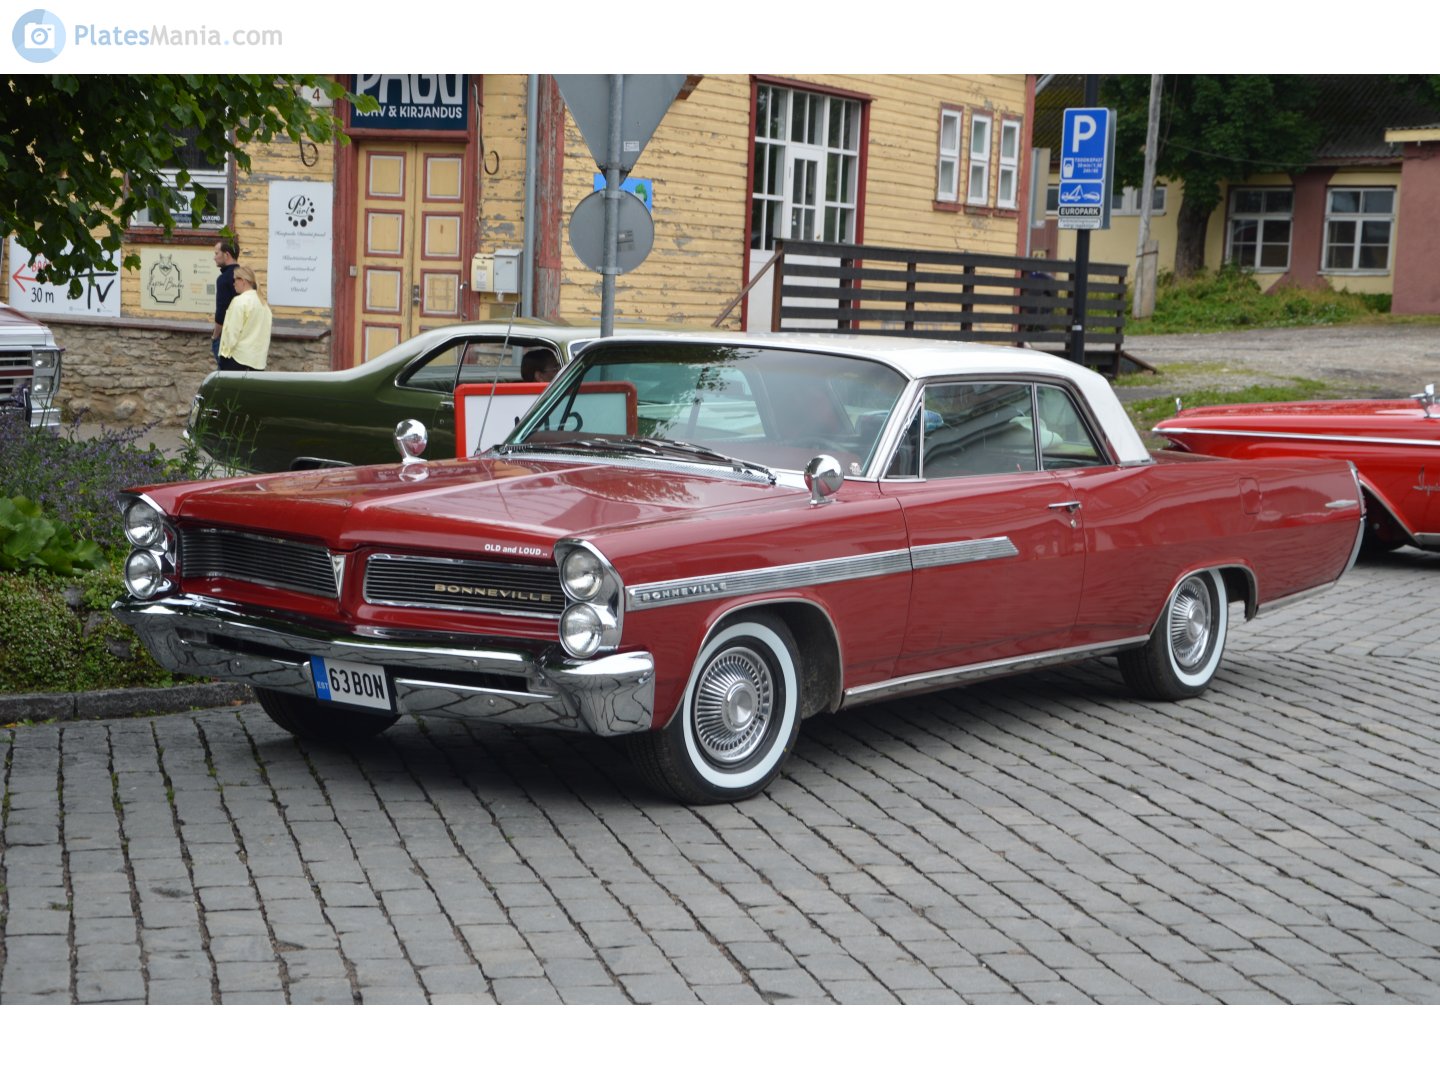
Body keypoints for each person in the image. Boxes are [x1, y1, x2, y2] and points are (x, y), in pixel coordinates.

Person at [216, 266, 272, 372]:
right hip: (258, 363)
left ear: (243, 281)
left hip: (237, 360)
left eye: (235, 280)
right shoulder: (264, 305)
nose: (233, 284)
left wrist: (224, 356)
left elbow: (231, 332)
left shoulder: (239, 302)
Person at [211, 238, 240, 365]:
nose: (214, 258)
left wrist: (215, 336)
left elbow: (221, 312)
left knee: (225, 376)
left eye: (216, 253)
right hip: (242, 336)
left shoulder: (223, 279)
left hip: (226, 337)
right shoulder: (245, 277)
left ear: (226, 255)